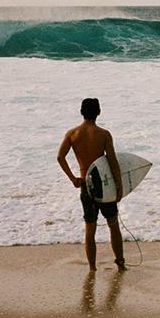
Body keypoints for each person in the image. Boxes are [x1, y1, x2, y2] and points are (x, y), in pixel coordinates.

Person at [57, 98, 125, 272]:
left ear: (81, 112)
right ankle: (119, 262)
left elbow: (60, 157)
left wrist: (73, 178)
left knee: (90, 228)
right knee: (113, 224)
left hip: (86, 185)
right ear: (99, 112)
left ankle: (92, 268)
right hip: (104, 184)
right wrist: (119, 185)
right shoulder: (104, 134)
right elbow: (113, 162)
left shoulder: (72, 134)